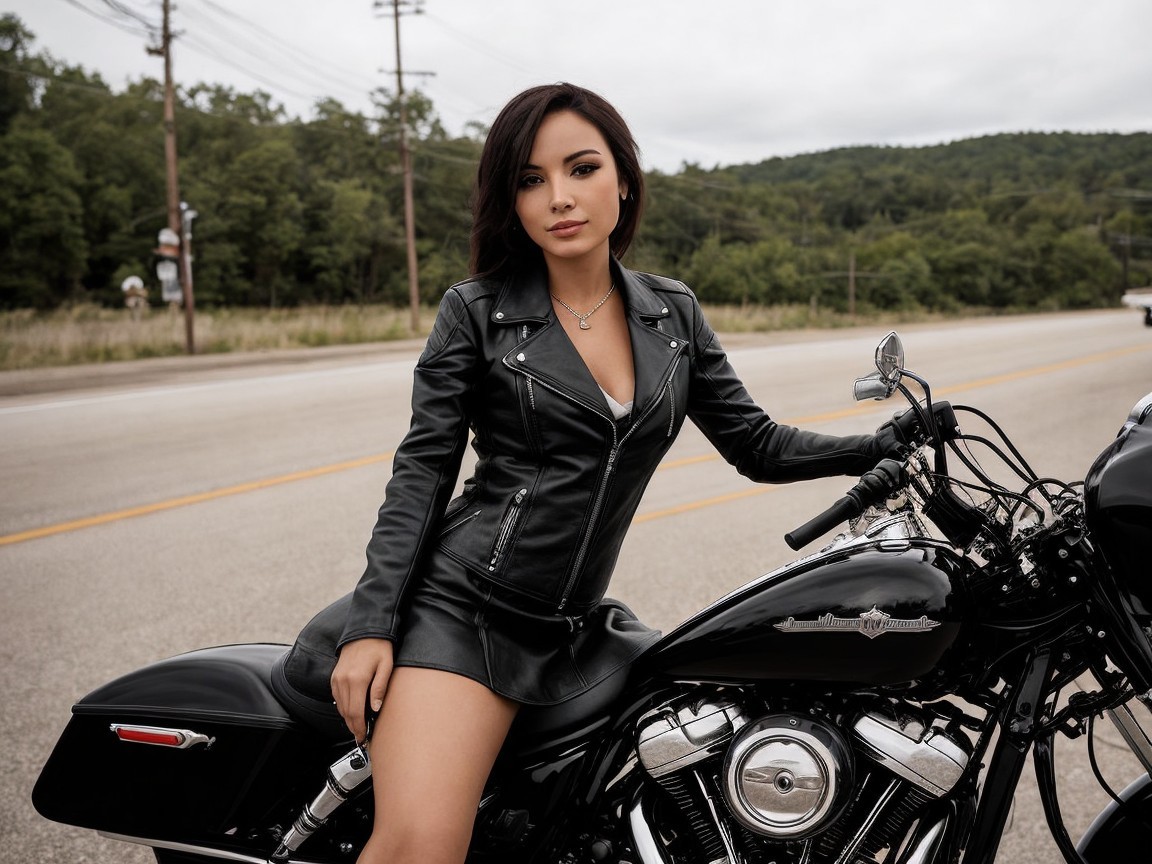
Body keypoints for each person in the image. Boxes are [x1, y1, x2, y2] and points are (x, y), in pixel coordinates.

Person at [322, 83, 910, 864]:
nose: (559, 198)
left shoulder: (672, 313)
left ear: (623, 180)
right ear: (511, 200)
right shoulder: (478, 311)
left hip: (575, 624)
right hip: (467, 615)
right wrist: (372, 625)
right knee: (422, 845)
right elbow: (422, 473)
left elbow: (757, 444)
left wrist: (881, 443)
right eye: (531, 180)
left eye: (581, 168)